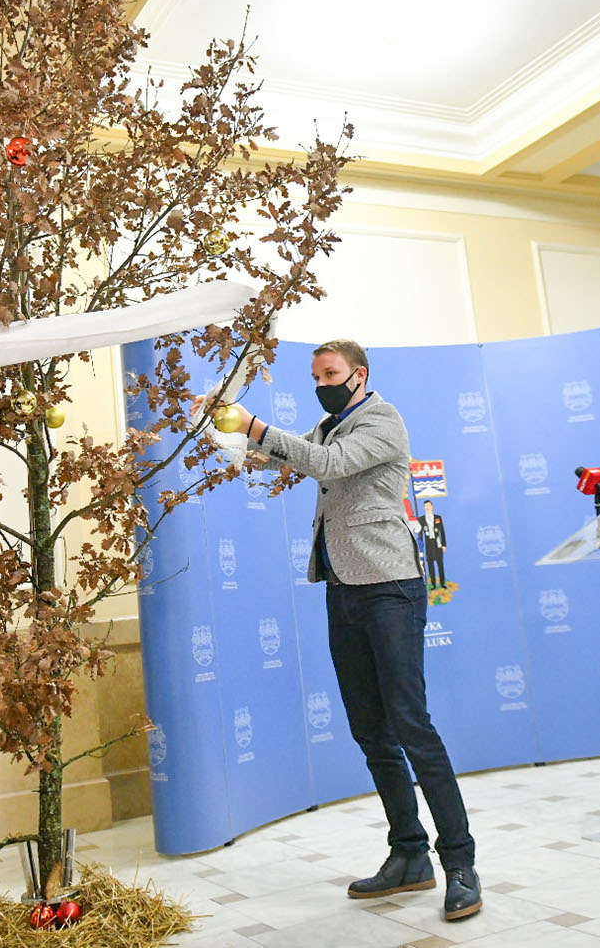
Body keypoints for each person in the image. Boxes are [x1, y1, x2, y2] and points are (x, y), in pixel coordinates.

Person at [195, 340, 480, 922]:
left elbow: (324, 465)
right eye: (316, 374)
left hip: (390, 586)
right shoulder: (330, 424)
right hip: (343, 587)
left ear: (359, 374)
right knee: (370, 730)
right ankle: (409, 856)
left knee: (410, 725)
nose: (321, 382)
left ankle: (460, 864)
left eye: (331, 373)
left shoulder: (382, 421)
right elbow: (282, 458)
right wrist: (222, 432)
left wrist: (255, 423)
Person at [420, 500, 447, 591]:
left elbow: (442, 532)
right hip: (428, 544)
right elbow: (420, 534)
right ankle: (434, 585)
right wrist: (420, 546)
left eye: (429, 505)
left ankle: (442, 583)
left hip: (437, 543)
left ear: (432, 506)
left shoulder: (438, 518)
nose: (427, 507)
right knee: (430, 565)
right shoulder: (421, 519)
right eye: (425, 506)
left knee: (440, 564)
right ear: (424, 508)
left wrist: (444, 545)